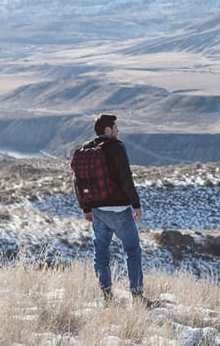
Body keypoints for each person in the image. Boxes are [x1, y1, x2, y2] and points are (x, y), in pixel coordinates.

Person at [81, 113, 153, 307]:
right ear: (108, 130)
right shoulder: (116, 148)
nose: (118, 131)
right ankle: (137, 297)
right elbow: (125, 178)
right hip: (119, 210)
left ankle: (107, 297)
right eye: (115, 128)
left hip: (97, 211)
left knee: (101, 253)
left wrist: (86, 207)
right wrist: (136, 204)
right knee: (132, 251)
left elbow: (79, 182)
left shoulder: (86, 150)